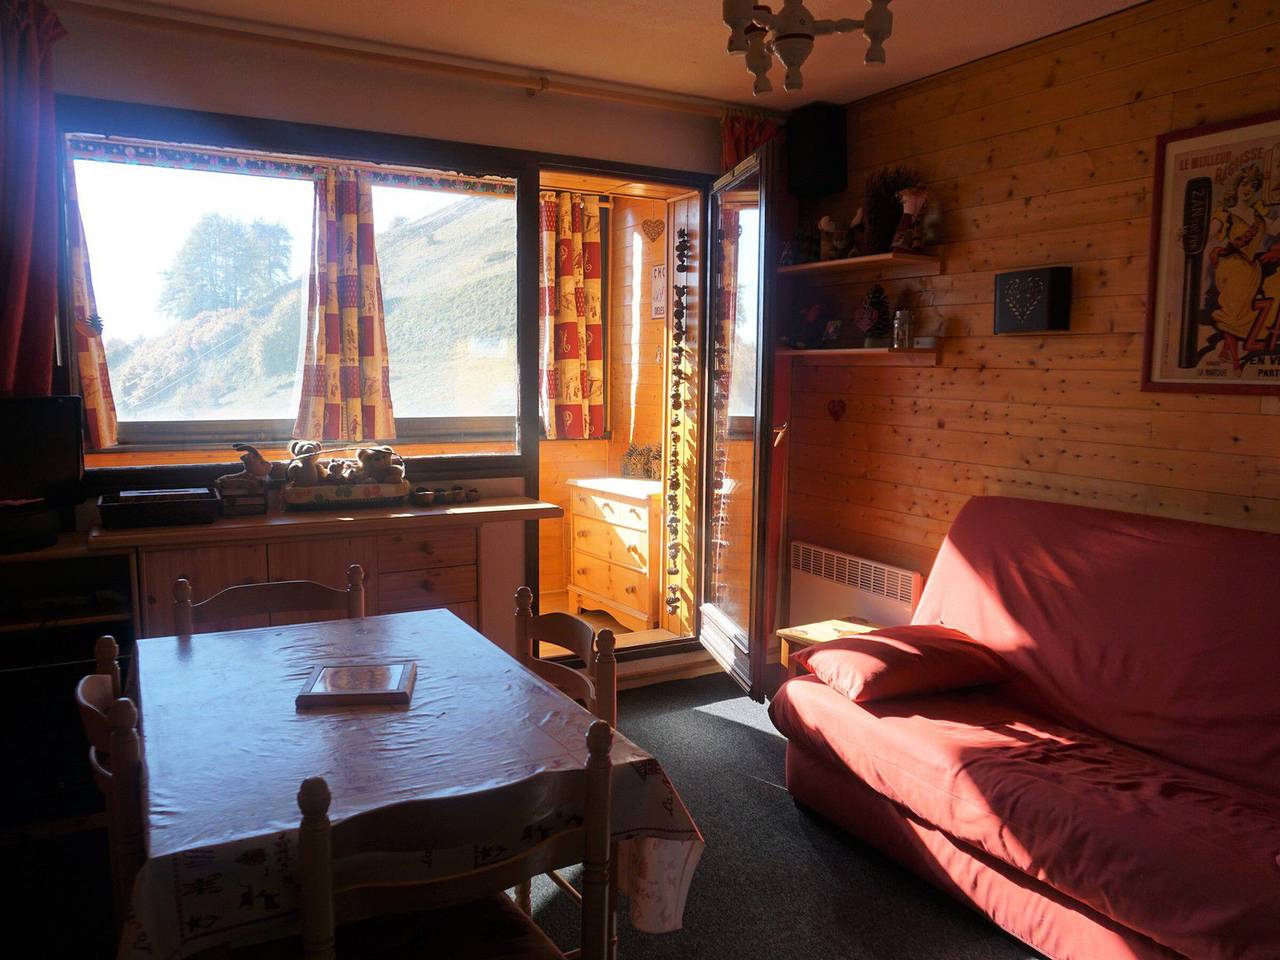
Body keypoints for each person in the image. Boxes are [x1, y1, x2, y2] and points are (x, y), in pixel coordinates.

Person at [1207, 164, 1280, 369]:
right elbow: (1209, 235)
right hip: (1232, 266)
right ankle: (1236, 360)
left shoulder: (1258, 215)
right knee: (1233, 310)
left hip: (1251, 269)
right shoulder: (1226, 213)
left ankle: (1226, 352)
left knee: (1244, 311)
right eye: (1245, 183)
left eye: (1254, 185)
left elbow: (1274, 229)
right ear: (1237, 186)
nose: (1248, 188)